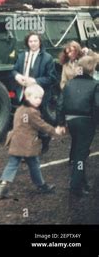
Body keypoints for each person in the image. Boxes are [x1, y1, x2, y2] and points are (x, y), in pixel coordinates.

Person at [0, 84, 64, 199]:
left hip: (16, 142)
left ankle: (3, 185)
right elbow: (41, 125)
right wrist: (55, 131)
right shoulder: (32, 112)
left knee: (13, 164)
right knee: (34, 164)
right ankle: (41, 185)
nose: (39, 100)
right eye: (36, 97)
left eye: (40, 98)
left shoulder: (19, 109)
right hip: (28, 144)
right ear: (27, 97)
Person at [56, 55, 98, 197]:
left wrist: (61, 122)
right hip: (86, 121)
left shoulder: (69, 83)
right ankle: (75, 186)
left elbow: (60, 104)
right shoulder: (95, 85)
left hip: (71, 120)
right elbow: (97, 106)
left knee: (79, 151)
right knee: (81, 154)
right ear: (92, 69)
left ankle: (82, 181)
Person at [11, 32, 58, 153]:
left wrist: (35, 81)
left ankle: (45, 139)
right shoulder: (22, 56)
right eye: (30, 41)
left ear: (40, 42)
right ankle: (26, 149)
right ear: (27, 43)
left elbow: (52, 78)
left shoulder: (47, 58)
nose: (33, 44)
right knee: (25, 123)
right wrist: (17, 77)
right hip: (24, 95)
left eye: (35, 41)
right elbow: (14, 70)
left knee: (38, 123)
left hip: (39, 97)